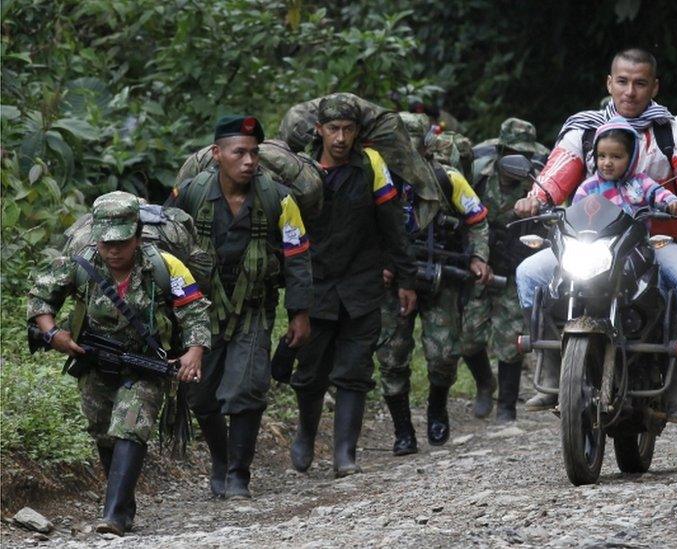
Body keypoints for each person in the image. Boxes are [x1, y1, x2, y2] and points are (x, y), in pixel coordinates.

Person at [513, 47, 677, 424]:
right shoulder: (586, 128)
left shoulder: (671, 128)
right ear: (609, 83)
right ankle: (553, 367)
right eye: (622, 82)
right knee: (528, 274)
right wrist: (535, 198)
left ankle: (675, 388)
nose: (630, 91)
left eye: (640, 83)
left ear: (654, 86)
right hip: (588, 243)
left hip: (654, 243)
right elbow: (559, 169)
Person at [28, 191, 210, 535]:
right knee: (102, 429)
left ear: (137, 237)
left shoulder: (162, 265)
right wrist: (54, 335)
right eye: (106, 243)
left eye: (122, 242)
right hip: (95, 363)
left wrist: (195, 350)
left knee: (130, 424)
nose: (113, 250)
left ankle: (113, 514)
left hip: (143, 365)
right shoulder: (79, 264)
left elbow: (195, 307)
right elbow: (41, 295)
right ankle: (123, 503)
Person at [167, 115, 313, 499]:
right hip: (201, 310)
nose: (249, 161)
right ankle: (220, 458)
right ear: (217, 154)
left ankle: (238, 474)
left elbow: (297, 255)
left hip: (253, 309)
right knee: (200, 395)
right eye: (239, 153)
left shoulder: (279, 198)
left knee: (246, 389)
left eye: (254, 153)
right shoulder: (190, 194)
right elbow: (165, 251)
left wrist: (299, 312)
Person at [289, 96, 418, 477]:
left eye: (348, 129)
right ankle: (306, 434)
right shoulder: (303, 170)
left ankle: (345, 454)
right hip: (315, 284)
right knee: (311, 372)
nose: (341, 138)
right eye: (333, 129)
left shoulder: (370, 165)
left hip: (362, 282)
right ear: (319, 131)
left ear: (358, 132)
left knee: (354, 371)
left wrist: (406, 277)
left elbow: (393, 223)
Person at [377, 114, 492, 453]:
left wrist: (478, 257)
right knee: (391, 356)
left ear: (426, 147)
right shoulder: (377, 180)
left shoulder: (447, 178)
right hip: (392, 280)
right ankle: (402, 431)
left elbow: (478, 221)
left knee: (443, 354)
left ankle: (437, 409)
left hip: (440, 275)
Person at [459, 118, 550, 422]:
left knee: (511, 340)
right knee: (468, 335)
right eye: (512, 152)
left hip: (516, 263)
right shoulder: (478, 176)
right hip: (479, 260)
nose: (518, 160)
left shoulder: (538, 183)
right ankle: (485, 383)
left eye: (524, 154)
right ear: (500, 151)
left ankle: (507, 407)